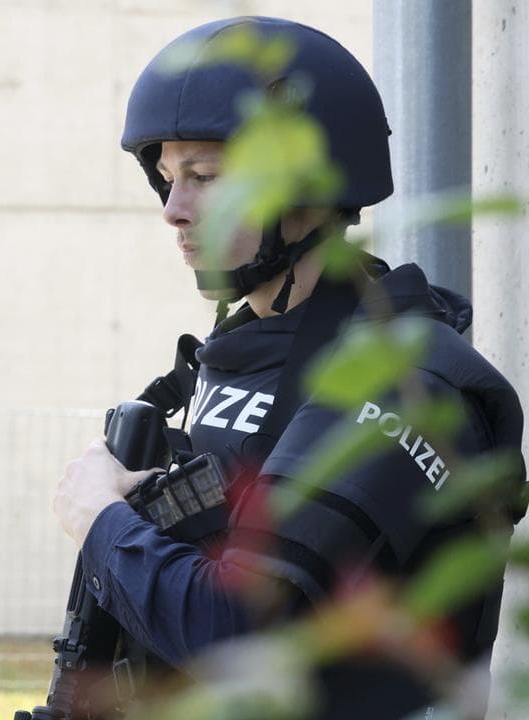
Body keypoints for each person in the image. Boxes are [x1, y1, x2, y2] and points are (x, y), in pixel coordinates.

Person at [51, 16, 525, 719]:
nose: (174, 211)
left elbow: (238, 627)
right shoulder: (242, 353)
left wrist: (99, 518)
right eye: (167, 178)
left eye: (205, 177)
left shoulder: (401, 377)